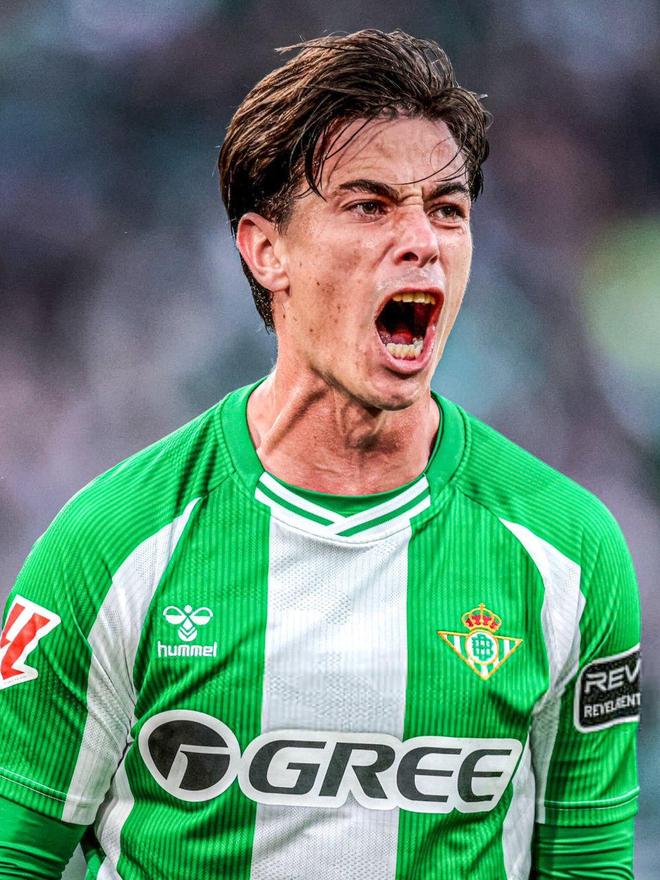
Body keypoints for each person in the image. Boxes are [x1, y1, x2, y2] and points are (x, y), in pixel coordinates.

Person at [0, 29, 640, 880]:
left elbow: (590, 866)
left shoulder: (569, 551)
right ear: (268, 251)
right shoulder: (111, 543)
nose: (422, 240)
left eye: (447, 210)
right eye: (370, 206)